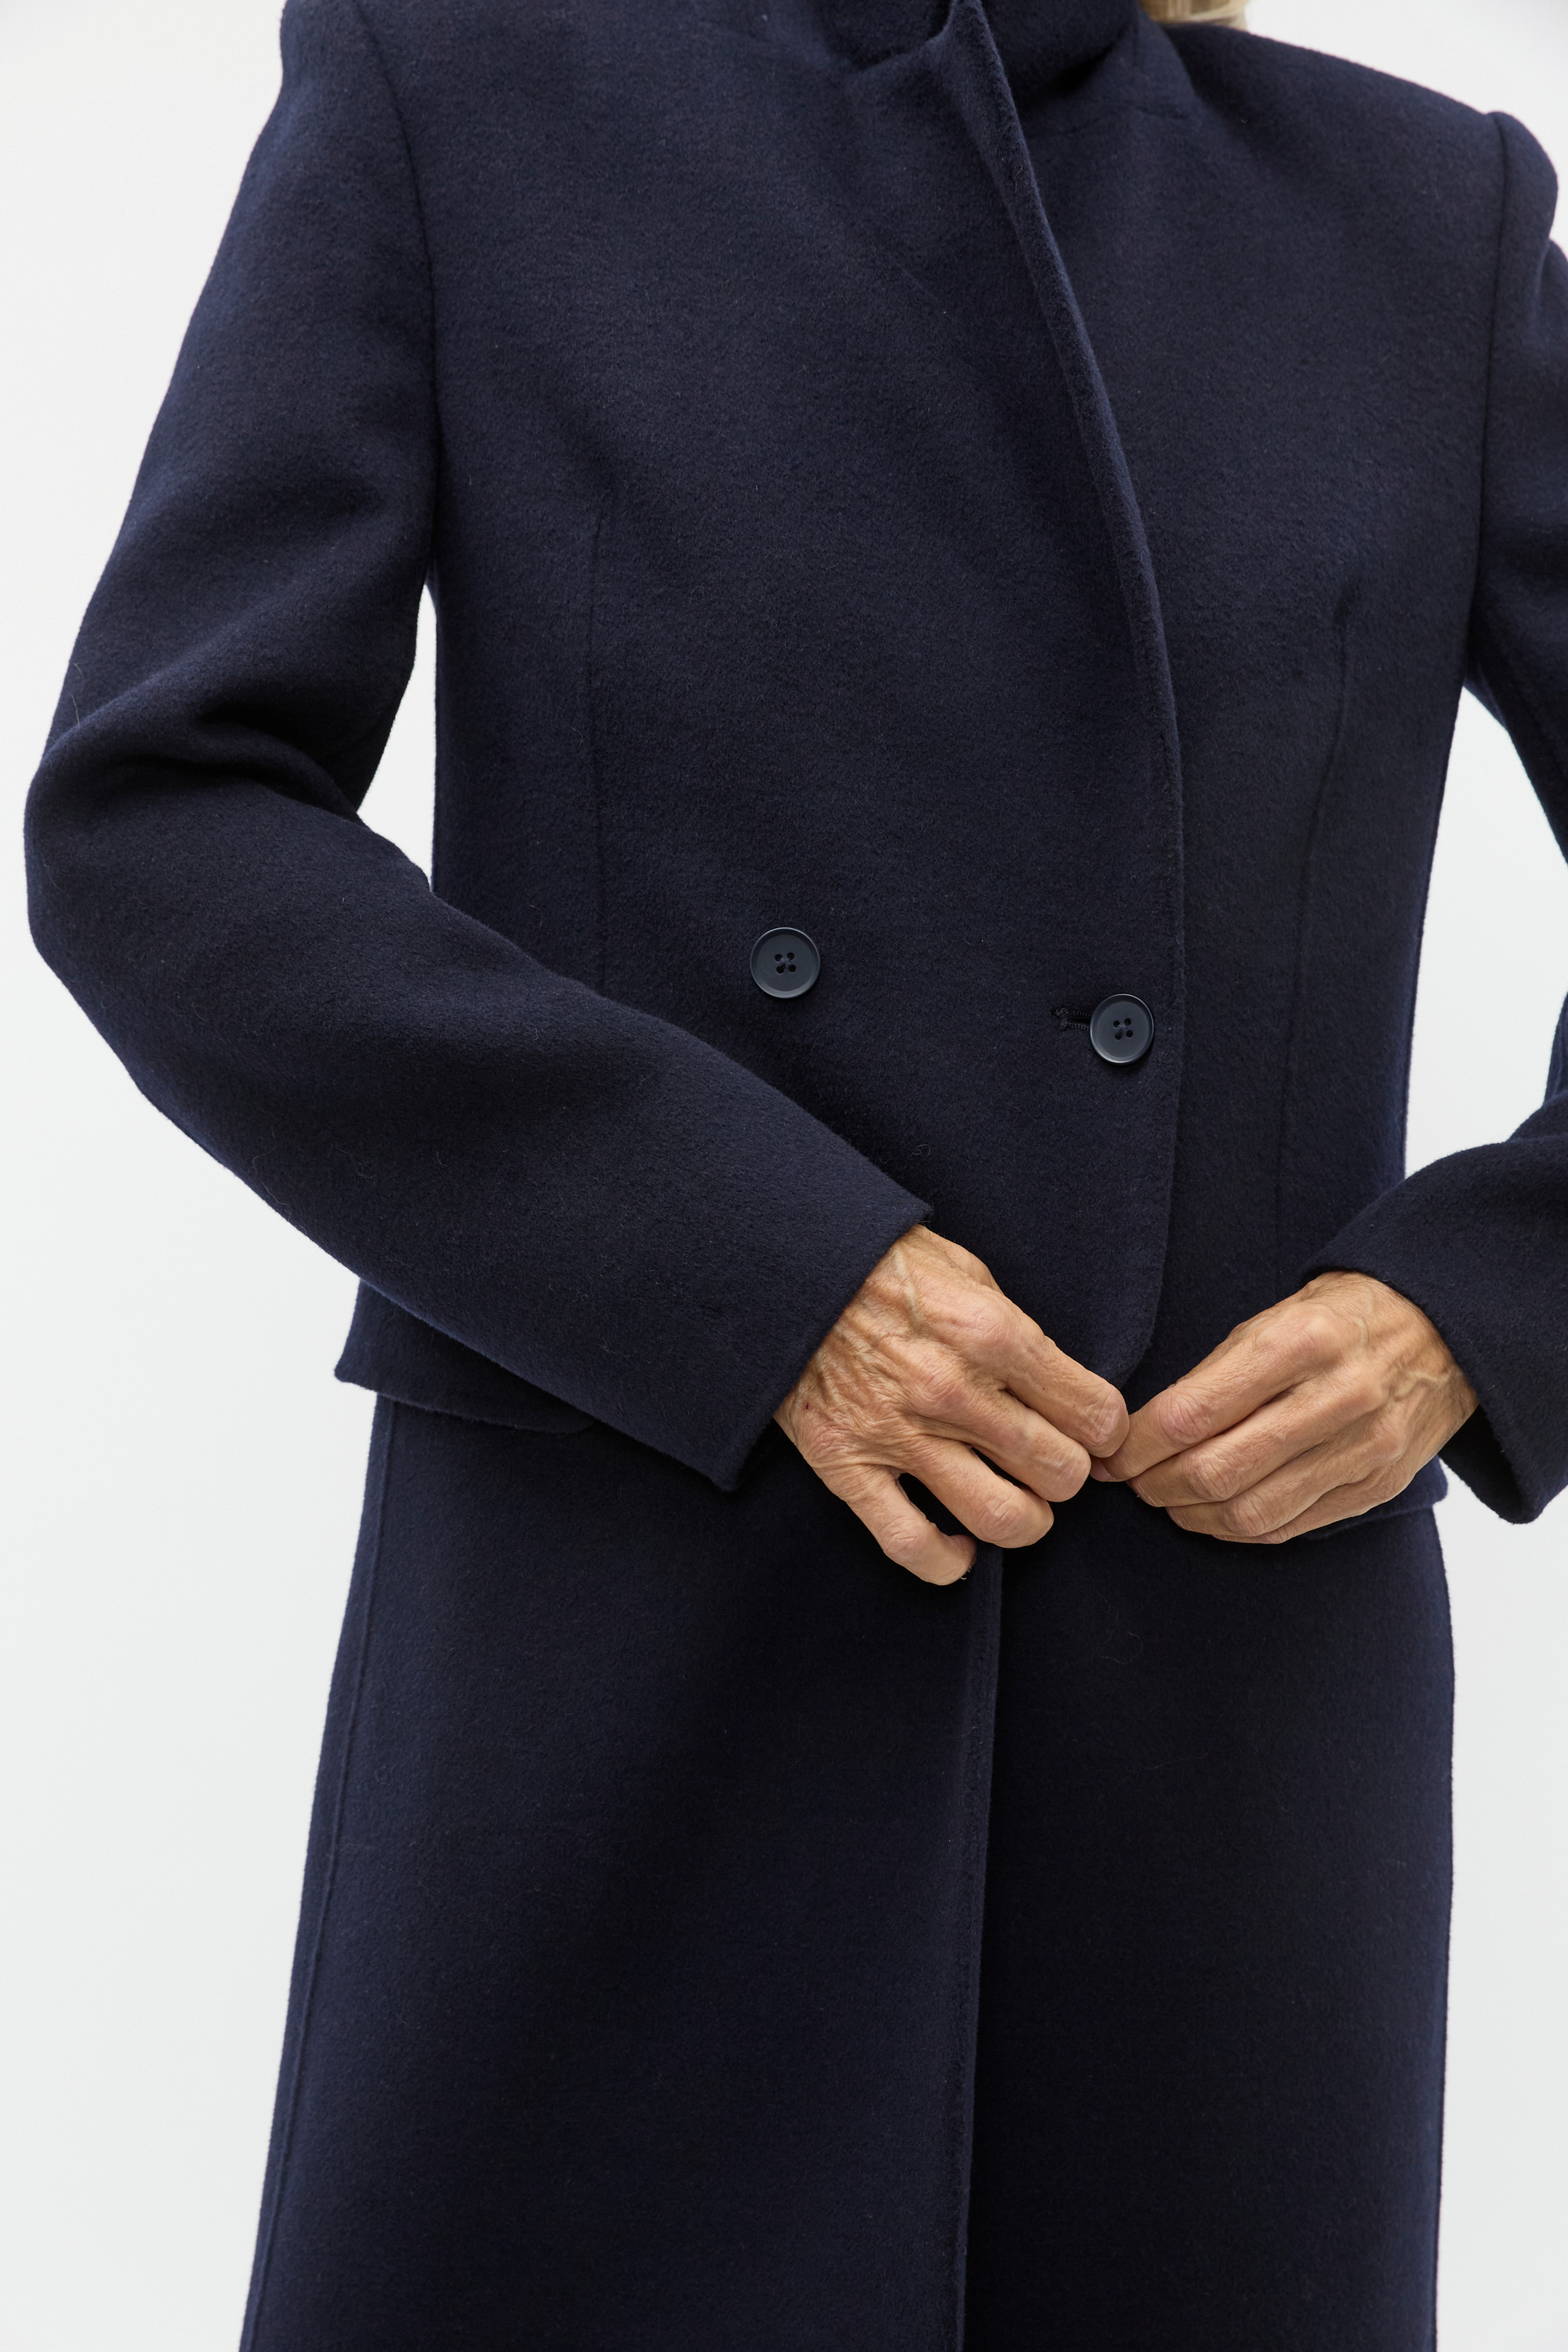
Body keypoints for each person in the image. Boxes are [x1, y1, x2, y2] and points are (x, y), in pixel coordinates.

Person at [23, 0, 1568, 2341]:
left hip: (1205, 1691)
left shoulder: (1414, 214)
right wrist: (761, 1269)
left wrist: (1479, 1305)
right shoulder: (461, 98)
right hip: (624, 1641)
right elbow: (164, 825)